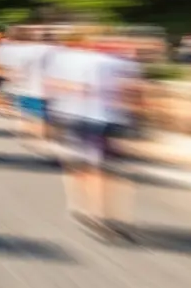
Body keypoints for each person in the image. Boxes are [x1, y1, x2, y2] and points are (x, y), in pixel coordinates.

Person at [46, 36, 140, 240]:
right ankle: (104, 213)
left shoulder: (66, 59)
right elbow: (132, 92)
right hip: (108, 119)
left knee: (81, 166)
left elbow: (57, 86)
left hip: (75, 117)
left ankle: (82, 206)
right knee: (104, 169)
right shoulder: (121, 63)